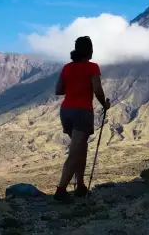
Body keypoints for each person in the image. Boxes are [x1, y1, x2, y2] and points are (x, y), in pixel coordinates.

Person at [53, 36, 111, 202]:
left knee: (80, 149)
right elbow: (98, 90)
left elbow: (58, 90)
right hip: (82, 112)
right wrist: (104, 104)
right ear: (89, 50)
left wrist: (74, 85)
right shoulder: (92, 67)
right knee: (75, 152)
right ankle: (61, 190)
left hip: (66, 111)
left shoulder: (67, 68)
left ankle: (80, 185)